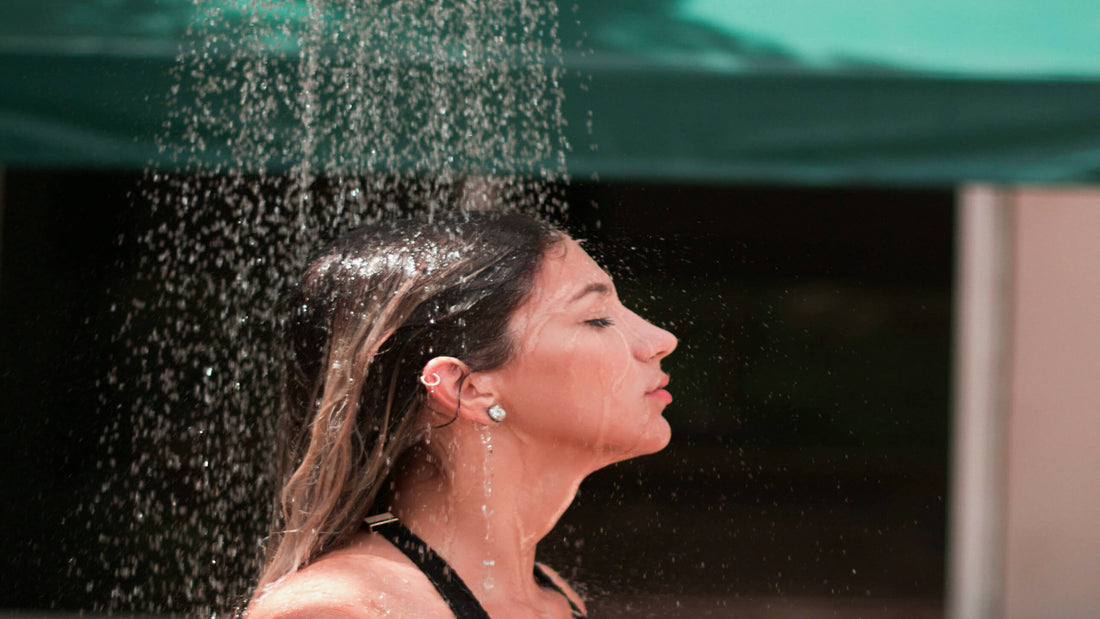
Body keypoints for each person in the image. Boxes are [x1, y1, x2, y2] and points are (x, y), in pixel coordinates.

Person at [245, 212, 677, 618]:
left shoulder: (551, 596)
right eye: (597, 319)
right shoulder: (342, 610)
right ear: (464, 388)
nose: (661, 339)